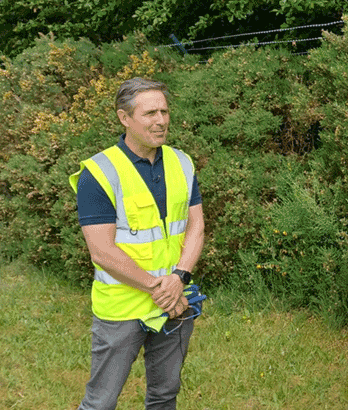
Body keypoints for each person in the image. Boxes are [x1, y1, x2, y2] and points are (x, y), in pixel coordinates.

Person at [69, 77, 205, 410]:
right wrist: (160, 289)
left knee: (164, 396)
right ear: (124, 117)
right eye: (149, 113)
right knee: (101, 402)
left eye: (164, 111)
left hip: (175, 300)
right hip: (123, 308)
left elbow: (196, 226)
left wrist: (179, 279)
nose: (161, 120)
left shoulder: (182, 162)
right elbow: (102, 251)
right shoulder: (99, 172)